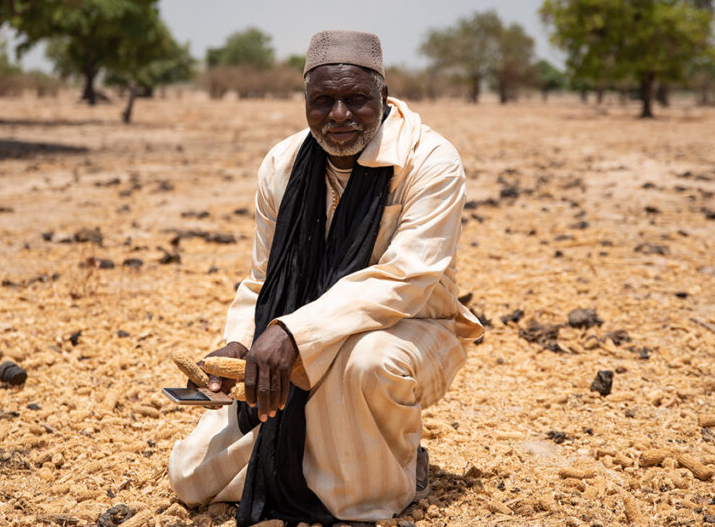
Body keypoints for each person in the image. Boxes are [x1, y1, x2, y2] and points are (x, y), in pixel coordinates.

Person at [168, 30, 483, 526]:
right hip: (301, 337)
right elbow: (261, 280)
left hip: (412, 330)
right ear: (305, 103)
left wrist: (293, 333)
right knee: (191, 478)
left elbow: (406, 279)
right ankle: (328, 453)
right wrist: (237, 343)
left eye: (356, 99)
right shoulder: (282, 165)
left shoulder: (429, 161)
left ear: (383, 93)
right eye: (323, 101)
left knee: (363, 366)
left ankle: (399, 476)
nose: (339, 115)